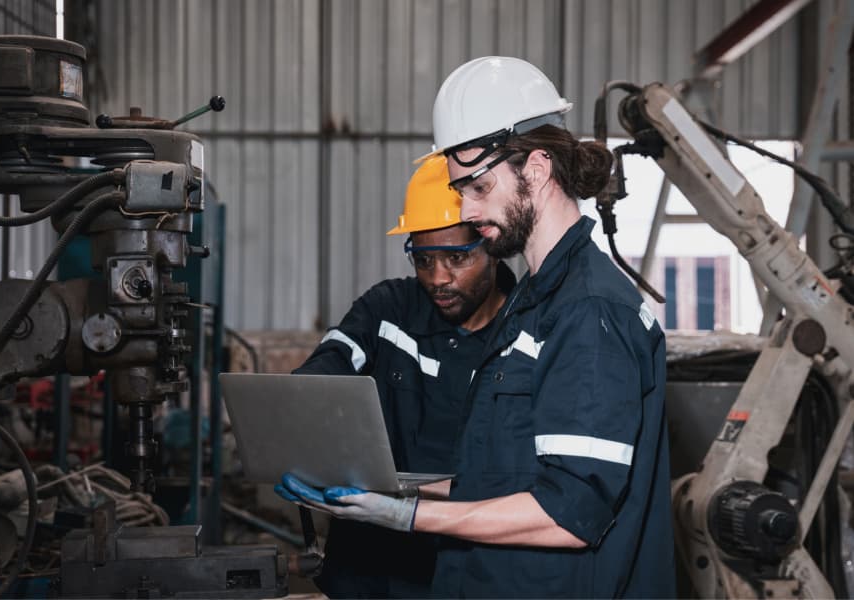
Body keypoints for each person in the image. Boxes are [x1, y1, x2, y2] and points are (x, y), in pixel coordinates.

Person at [277, 56, 675, 599]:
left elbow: (568, 513)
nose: (466, 207)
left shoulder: (588, 311)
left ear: (536, 169)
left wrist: (407, 515)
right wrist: (377, 491)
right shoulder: (535, 300)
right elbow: (500, 478)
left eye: (478, 187)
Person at [290, 154, 515, 598]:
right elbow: (323, 372)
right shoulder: (389, 309)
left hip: (462, 568)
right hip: (364, 567)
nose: (438, 279)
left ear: (489, 242)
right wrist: (302, 441)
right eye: (423, 259)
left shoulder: (523, 332)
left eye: (456, 258)